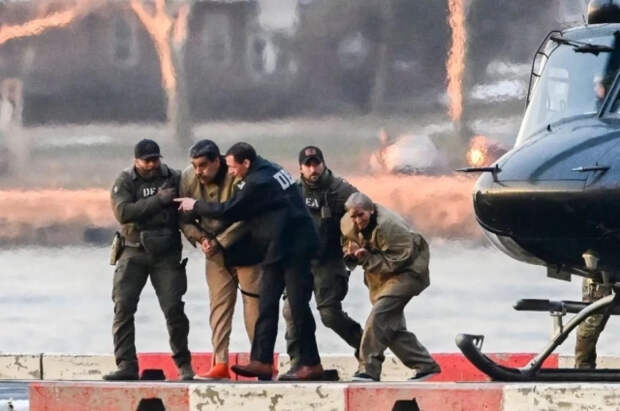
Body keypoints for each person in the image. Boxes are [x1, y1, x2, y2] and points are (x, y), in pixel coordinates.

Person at [175, 142, 324, 381]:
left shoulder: (259, 182)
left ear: (246, 163)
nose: (231, 172)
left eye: (233, 167)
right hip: (276, 246)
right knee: (266, 303)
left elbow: (230, 210)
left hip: (296, 246)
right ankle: (261, 361)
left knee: (298, 307)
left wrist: (196, 205)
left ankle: (311, 363)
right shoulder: (267, 168)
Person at [104, 139, 194, 381]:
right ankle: (126, 364)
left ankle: (184, 364)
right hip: (133, 251)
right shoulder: (125, 181)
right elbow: (123, 212)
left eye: (156, 159)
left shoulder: (173, 177)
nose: (153, 164)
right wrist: (158, 201)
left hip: (166, 253)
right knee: (123, 307)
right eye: (147, 161)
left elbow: (187, 210)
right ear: (136, 161)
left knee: (174, 309)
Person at [179, 139, 262, 380]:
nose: (198, 171)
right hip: (214, 254)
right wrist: (201, 238)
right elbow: (183, 218)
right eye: (195, 166)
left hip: (246, 248)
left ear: (218, 161)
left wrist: (221, 241)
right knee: (219, 307)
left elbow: (247, 215)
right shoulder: (188, 178)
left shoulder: (236, 174)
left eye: (203, 165)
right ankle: (220, 362)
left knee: (254, 306)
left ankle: (260, 360)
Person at [340, 192, 440, 382]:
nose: (357, 220)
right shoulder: (347, 222)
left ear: (370, 210)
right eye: (353, 216)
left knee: (378, 318)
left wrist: (366, 258)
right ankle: (426, 365)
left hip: (408, 272)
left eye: (361, 215)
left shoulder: (391, 226)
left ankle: (368, 369)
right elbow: (347, 241)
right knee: (391, 328)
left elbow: (398, 261)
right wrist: (351, 252)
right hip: (379, 277)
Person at [282, 146, 363, 372]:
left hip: (329, 260)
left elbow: (365, 215)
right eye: (308, 165)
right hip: (300, 262)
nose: (313, 169)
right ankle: (301, 363)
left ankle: (365, 347)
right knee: (291, 311)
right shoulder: (292, 192)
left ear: (323, 164)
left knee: (329, 314)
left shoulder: (341, 191)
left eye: (316, 164)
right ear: (300, 168)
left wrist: (353, 244)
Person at [575, 278, 612, 368]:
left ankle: (584, 364)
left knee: (596, 316)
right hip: (600, 275)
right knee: (593, 318)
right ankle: (583, 365)